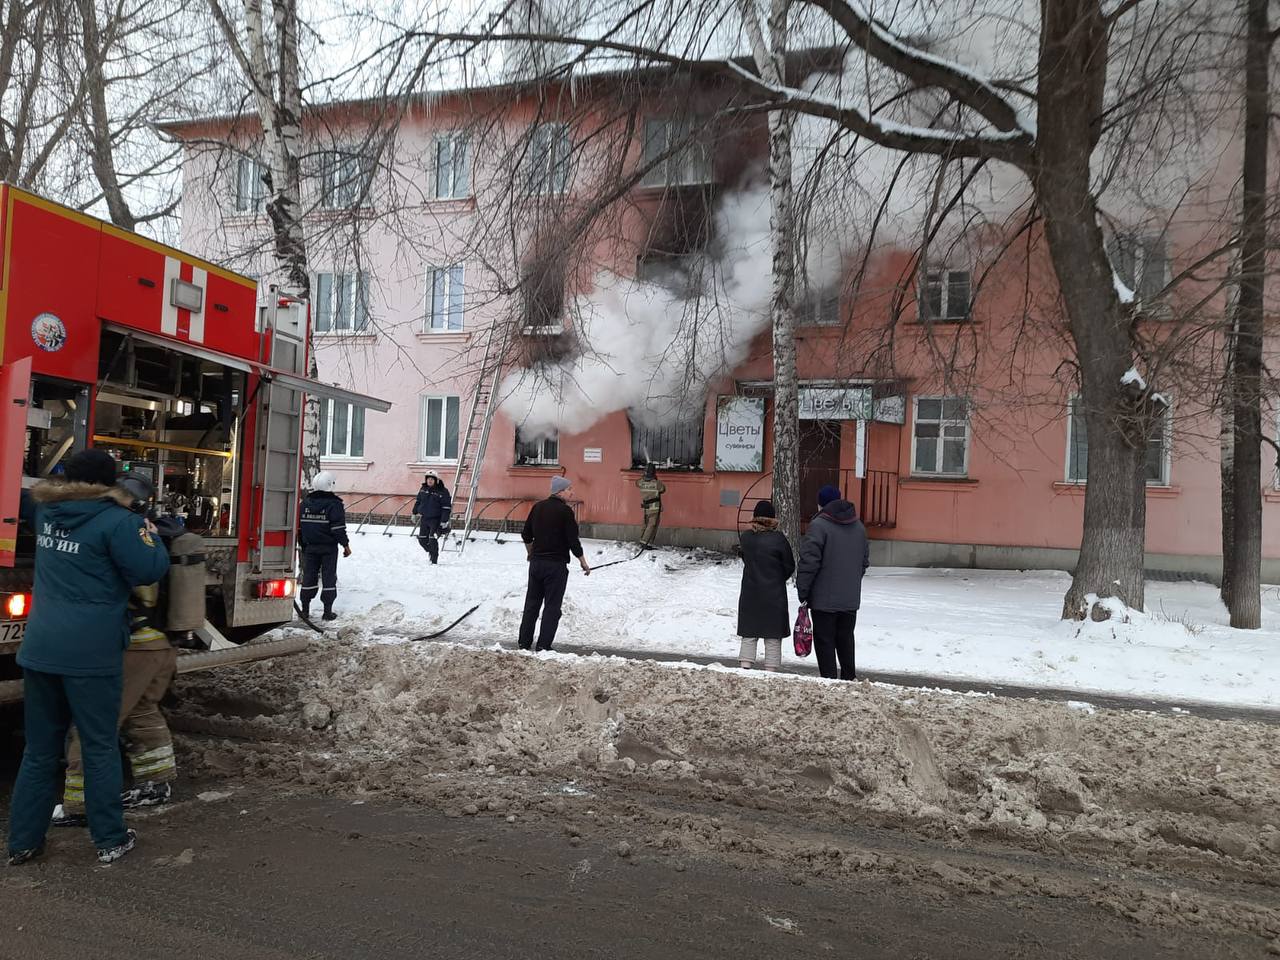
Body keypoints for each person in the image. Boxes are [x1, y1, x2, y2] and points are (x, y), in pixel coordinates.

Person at [7, 449, 170, 866]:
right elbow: (151, 568)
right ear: (110, 482)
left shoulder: (47, 514)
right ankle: (110, 839)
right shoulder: (120, 523)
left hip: (41, 651)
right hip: (91, 655)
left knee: (39, 751)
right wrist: (147, 530)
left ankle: (23, 841)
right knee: (99, 747)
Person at [53, 474, 178, 827]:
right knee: (141, 712)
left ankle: (78, 804)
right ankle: (156, 783)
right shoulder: (147, 536)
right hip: (155, 646)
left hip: (132, 648)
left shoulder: (127, 538)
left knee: (93, 723)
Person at [795, 484, 869, 681]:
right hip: (849, 599)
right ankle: (849, 679)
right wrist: (850, 583)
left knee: (825, 641)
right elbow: (863, 562)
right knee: (845, 639)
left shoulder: (819, 526)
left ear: (820, 504)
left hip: (823, 600)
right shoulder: (859, 527)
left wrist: (803, 591)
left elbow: (809, 562)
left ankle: (829, 682)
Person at [518, 475, 591, 651]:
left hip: (536, 565)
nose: (572, 492)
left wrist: (531, 553)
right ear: (561, 491)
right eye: (569, 489)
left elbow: (526, 535)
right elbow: (573, 541)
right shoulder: (565, 512)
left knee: (532, 603)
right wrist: (583, 562)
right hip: (555, 567)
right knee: (552, 607)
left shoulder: (538, 507)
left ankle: (524, 642)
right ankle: (543, 646)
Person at [736, 500, 795, 671]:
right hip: (774, 594)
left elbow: (746, 558)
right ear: (772, 519)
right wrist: (777, 578)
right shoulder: (779, 540)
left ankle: (745, 666)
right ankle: (770, 671)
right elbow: (789, 565)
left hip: (750, 592)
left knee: (749, 632)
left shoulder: (746, 538)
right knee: (773, 636)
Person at [298, 471, 351, 622]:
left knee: (309, 576)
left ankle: (305, 610)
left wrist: (303, 544)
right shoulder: (334, 504)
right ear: (331, 485)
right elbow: (338, 529)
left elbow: (300, 527)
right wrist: (346, 546)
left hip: (310, 548)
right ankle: (327, 612)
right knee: (328, 577)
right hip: (328, 548)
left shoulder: (305, 503)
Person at [411, 472, 452, 565]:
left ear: (436, 480)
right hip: (424, 518)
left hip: (436, 519)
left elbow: (446, 507)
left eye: (432, 479)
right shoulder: (423, 489)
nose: (429, 481)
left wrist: (444, 521)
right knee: (422, 539)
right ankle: (431, 552)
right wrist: (414, 513)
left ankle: (434, 560)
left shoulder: (443, 491)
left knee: (432, 539)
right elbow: (418, 502)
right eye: (428, 479)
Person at [636, 463, 666, 549]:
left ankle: (642, 540)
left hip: (646, 508)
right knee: (652, 525)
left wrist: (643, 477)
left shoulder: (641, 482)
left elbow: (637, 483)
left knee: (645, 524)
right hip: (655, 508)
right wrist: (655, 479)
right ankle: (646, 543)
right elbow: (663, 489)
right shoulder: (657, 483)